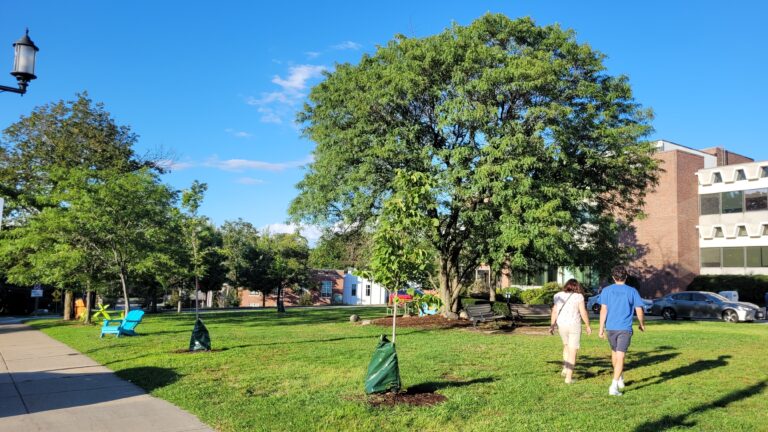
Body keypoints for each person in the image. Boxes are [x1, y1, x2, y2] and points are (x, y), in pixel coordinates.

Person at [599, 266, 645, 396]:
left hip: (611, 328)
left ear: (613, 277)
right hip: (624, 328)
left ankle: (619, 378)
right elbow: (639, 309)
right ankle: (614, 386)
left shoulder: (606, 290)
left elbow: (603, 310)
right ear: (626, 276)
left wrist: (601, 328)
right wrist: (641, 324)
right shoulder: (632, 291)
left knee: (616, 354)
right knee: (619, 355)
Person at [549, 279, 592, 384]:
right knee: (573, 351)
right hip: (574, 325)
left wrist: (552, 325)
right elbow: (583, 312)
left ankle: (565, 368)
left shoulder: (557, 295)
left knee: (566, 345)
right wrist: (587, 325)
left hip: (561, 324)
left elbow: (554, 311)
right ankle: (568, 378)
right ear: (577, 287)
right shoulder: (579, 297)